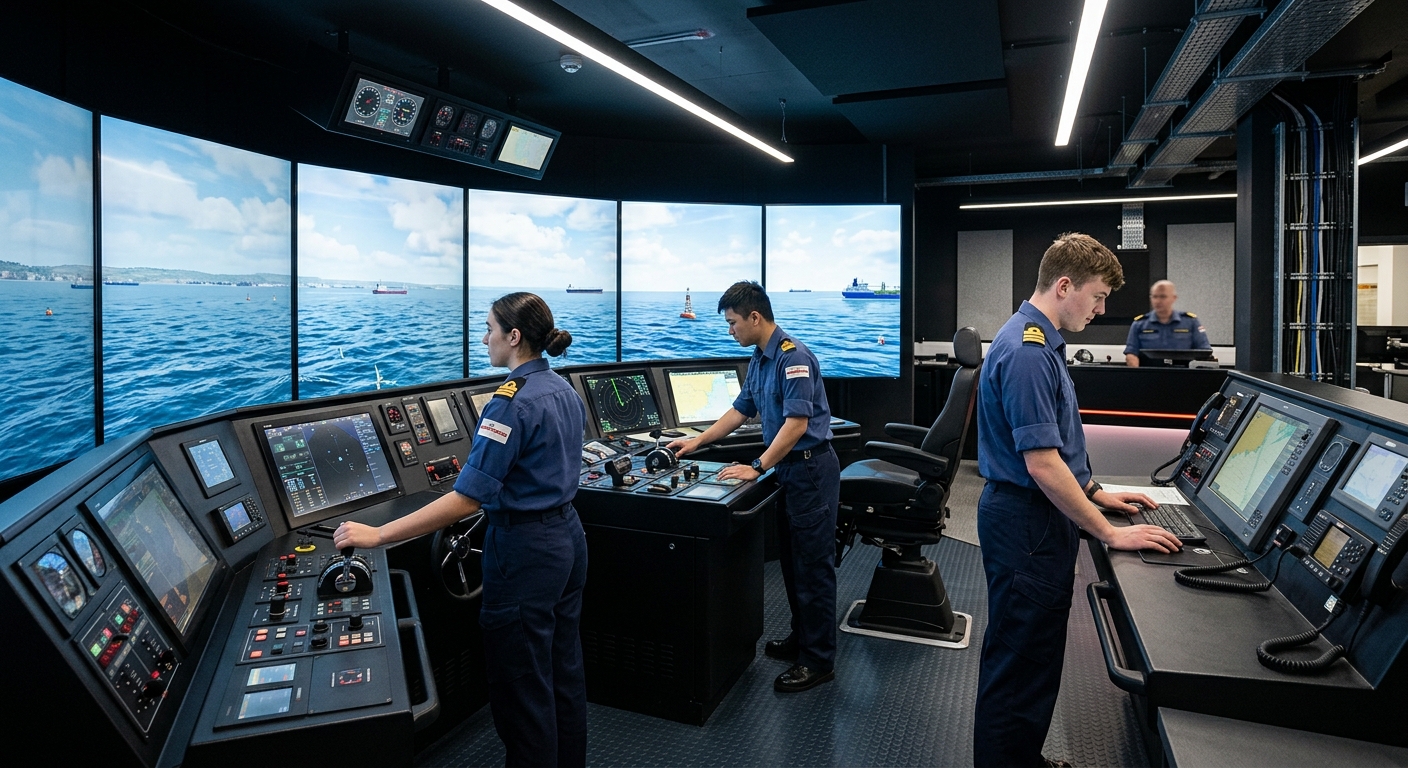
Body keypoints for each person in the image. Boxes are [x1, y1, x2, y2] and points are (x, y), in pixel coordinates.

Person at [334, 292, 588, 768]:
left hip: (526, 550)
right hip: (568, 539)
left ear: (514, 337)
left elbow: (468, 498)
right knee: (562, 671)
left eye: (490, 329)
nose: (484, 338)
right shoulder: (563, 389)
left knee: (523, 688)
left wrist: (379, 535)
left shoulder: (509, 404)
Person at [973, 234, 1182, 768]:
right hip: (1026, 523)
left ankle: (1021, 758)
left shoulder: (1042, 343)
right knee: (1019, 663)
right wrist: (1108, 531)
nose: (1102, 309)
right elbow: (1041, 464)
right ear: (1064, 286)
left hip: (1037, 517)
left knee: (1033, 658)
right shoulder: (1027, 352)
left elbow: (1059, 449)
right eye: (1098, 296)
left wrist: (1095, 492)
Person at [667, 280, 840, 693]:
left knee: (813, 568)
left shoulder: (793, 358)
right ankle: (803, 637)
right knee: (793, 564)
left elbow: (796, 425)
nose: (730, 330)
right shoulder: (761, 359)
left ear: (755, 317)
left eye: (733, 323)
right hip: (790, 471)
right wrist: (697, 442)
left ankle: (818, 660)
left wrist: (757, 466)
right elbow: (740, 410)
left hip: (810, 471)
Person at [1123, 279, 1210, 366]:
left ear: (1174, 298)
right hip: (1150, 372)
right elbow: (1131, 354)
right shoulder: (1139, 324)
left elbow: (1204, 352)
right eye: (1155, 297)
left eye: (1163, 297)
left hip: (1183, 372)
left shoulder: (1191, 322)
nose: (1158, 301)